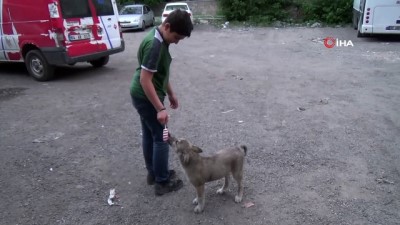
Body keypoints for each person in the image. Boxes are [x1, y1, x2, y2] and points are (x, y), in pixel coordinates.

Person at [130, 9, 193, 196]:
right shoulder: (155, 45)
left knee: (150, 135)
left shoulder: (160, 39)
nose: (177, 41)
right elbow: (145, 80)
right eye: (176, 37)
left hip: (144, 95)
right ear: (166, 26)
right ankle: (162, 182)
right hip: (145, 97)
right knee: (162, 138)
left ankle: (154, 173)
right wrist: (160, 108)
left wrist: (171, 93)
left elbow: (159, 74)